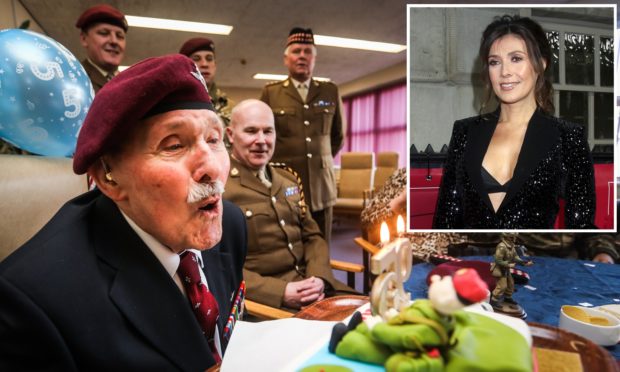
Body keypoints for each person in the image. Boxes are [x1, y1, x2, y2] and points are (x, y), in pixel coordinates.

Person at [0, 55, 246, 370]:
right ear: (109, 177)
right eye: (173, 146)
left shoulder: (233, 225)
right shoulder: (33, 302)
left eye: (214, 139)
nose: (213, 167)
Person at [433, 15, 595, 229]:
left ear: (541, 64)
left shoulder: (569, 137)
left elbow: (580, 227)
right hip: (471, 259)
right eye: (494, 62)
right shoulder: (464, 131)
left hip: (533, 260)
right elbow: (446, 218)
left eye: (516, 58)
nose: (504, 72)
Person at [224, 99, 354, 310]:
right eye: (251, 131)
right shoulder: (221, 189)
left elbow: (312, 236)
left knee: (375, 316)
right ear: (230, 135)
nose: (261, 140)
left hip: (315, 287)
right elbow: (221, 265)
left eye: (268, 131)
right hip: (270, 304)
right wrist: (279, 292)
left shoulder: (288, 179)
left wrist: (319, 277)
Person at [260, 27, 346, 243]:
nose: (302, 56)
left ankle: (322, 278)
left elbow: (337, 136)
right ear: (286, 58)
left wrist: (321, 160)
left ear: (314, 58)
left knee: (322, 243)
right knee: (289, 243)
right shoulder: (271, 93)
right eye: (296, 51)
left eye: (308, 51)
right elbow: (265, 139)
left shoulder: (330, 91)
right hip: (286, 183)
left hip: (322, 186)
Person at [180, 37, 234, 128]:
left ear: (215, 65)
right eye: (196, 59)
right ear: (184, 65)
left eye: (209, 59)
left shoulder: (229, 105)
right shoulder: (176, 102)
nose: (204, 64)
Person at [75, 4, 127, 93]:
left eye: (120, 36)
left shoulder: (131, 80)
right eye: (104, 33)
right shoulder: (75, 78)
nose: (114, 41)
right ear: (84, 39)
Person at [490, 233, 533, 317]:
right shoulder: (502, 247)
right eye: (511, 237)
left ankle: (507, 298)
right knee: (502, 286)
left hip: (506, 269)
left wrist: (525, 263)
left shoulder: (511, 246)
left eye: (514, 238)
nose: (513, 239)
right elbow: (498, 260)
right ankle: (494, 301)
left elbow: (515, 257)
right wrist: (509, 265)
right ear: (505, 237)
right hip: (499, 269)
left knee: (511, 284)